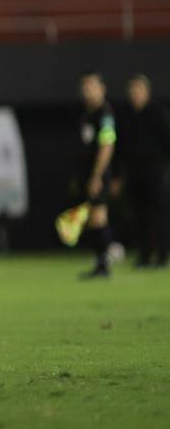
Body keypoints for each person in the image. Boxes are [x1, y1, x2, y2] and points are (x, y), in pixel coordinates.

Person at [72, 72, 120, 279]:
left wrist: (97, 175)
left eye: (91, 86)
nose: (87, 91)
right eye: (84, 87)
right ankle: (101, 263)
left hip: (98, 175)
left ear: (102, 89)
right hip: (87, 174)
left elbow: (107, 145)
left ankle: (108, 256)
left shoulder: (105, 114)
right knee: (93, 219)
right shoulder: (86, 114)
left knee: (99, 216)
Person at [122, 74, 169, 269]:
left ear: (147, 91)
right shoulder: (127, 116)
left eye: (138, 90)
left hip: (155, 172)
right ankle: (144, 255)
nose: (135, 94)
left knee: (159, 215)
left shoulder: (157, 113)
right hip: (134, 173)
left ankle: (162, 255)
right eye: (132, 90)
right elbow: (121, 147)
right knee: (139, 216)